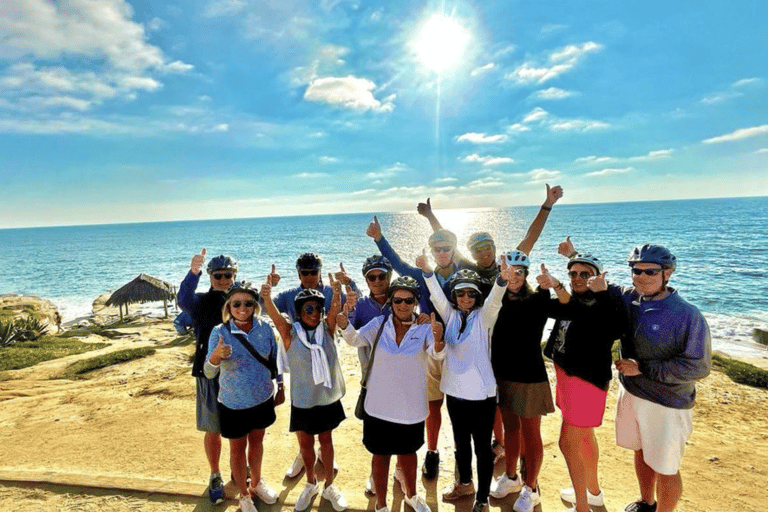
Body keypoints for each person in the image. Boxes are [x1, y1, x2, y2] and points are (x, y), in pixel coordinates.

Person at [419, 185, 564, 462]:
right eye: (478, 249)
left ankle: (518, 458)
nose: (484, 252)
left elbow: (530, 238)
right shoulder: (470, 270)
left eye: (488, 247)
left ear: (495, 249)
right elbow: (446, 243)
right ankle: (502, 446)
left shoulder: (508, 264)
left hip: (513, 342)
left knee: (512, 409)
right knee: (495, 400)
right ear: (472, 254)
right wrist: (431, 217)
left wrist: (547, 204)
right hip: (486, 342)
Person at [366, 216, 469, 479]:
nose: (443, 252)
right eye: (438, 249)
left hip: (462, 347)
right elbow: (398, 265)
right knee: (433, 403)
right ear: (432, 252)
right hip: (431, 343)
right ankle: (432, 452)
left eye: (448, 248)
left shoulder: (466, 274)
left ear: (454, 250)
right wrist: (380, 238)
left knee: (460, 406)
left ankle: (462, 454)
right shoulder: (424, 275)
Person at [615, 245, 711, 512]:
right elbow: (599, 282)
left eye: (650, 271)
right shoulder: (631, 299)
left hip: (667, 402)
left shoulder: (687, 315)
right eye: (636, 270)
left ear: (667, 273)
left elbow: (699, 367)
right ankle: (646, 502)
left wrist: (643, 367)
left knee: (666, 466)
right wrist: (573, 254)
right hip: (633, 393)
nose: (642, 277)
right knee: (642, 451)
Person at [417, 254, 515, 512]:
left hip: (481, 396)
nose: (466, 299)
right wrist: (427, 271)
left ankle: (481, 498)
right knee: (461, 444)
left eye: (471, 294)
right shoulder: (450, 316)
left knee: (482, 448)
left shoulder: (484, 318)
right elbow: (437, 296)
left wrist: (502, 280)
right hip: (454, 393)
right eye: (461, 294)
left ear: (477, 296)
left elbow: (495, 301)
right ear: (456, 296)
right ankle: (465, 484)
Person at [338, 276, 444, 512]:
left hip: (410, 406)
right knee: (380, 455)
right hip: (378, 405)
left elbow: (436, 355)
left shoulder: (424, 327)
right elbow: (355, 340)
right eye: (397, 299)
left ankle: (412, 496)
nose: (403, 305)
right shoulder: (379, 323)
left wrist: (438, 342)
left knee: (408, 453)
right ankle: (381, 504)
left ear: (416, 302)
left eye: (409, 300)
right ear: (391, 300)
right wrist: (345, 324)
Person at [537, 254, 625, 512]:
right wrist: (550, 284)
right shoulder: (575, 300)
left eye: (584, 275)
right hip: (568, 375)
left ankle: (583, 507)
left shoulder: (603, 303)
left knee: (567, 443)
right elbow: (552, 308)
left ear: (596, 278)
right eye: (572, 274)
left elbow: (617, 327)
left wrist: (603, 293)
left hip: (585, 381)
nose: (577, 278)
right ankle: (593, 492)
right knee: (585, 436)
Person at [261, 274, 349, 512]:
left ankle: (330, 485)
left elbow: (334, 309)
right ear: (299, 313)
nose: (314, 313)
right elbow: (274, 316)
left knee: (327, 442)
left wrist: (336, 291)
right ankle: (310, 482)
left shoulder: (327, 329)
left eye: (317, 309)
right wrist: (267, 297)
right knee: (306, 446)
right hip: (302, 400)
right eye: (308, 309)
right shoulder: (290, 333)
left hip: (325, 399)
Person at [272, 252, 359, 478]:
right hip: (300, 356)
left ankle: (324, 452)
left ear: (320, 272)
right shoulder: (289, 295)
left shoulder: (330, 291)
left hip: (325, 351)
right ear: (299, 274)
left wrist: (348, 283)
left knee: (325, 411)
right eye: (305, 272)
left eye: (314, 272)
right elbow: (265, 310)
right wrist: (268, 289)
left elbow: (354, 299)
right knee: (304, 410)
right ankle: (304, 454)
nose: (310, 276)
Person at [488, 251, 556, 512]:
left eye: (520, 272)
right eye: (509, 272)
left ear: (526, 275)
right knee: (510, 430)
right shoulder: (497, 299)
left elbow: (569, 307)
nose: (514, 277)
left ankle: (531, 487)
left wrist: (555, 284)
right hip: (503, 375)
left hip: (530, 377)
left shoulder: (538, 297)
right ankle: (512, 477)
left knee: (531, 433)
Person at [204, 282, 281, 512]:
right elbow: (209, 372)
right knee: (237, 449)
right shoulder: (219, 332)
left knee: (257, 443)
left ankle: (256, 483)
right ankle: (244, 495)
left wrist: (280, 386)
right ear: (229, 305)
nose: (242, 308)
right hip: (233, 404)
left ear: (255, 305)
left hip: (262, 399)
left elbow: (274, 361)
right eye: (236, 303)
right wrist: (217, 356)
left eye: (248, 303)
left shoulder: (265, 328)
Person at [178, 249, 240, 503]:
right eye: (218, 275)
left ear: (235, 276)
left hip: (237, 372)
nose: (223, 280)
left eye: (228, 275)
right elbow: (183, 298)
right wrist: (193, 272)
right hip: (207, 372)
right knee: (213, 428)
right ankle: (215, 473)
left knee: (240, 426)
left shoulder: (242, 300)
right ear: (210, 276)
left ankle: (241, 470)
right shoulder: (200, 302)